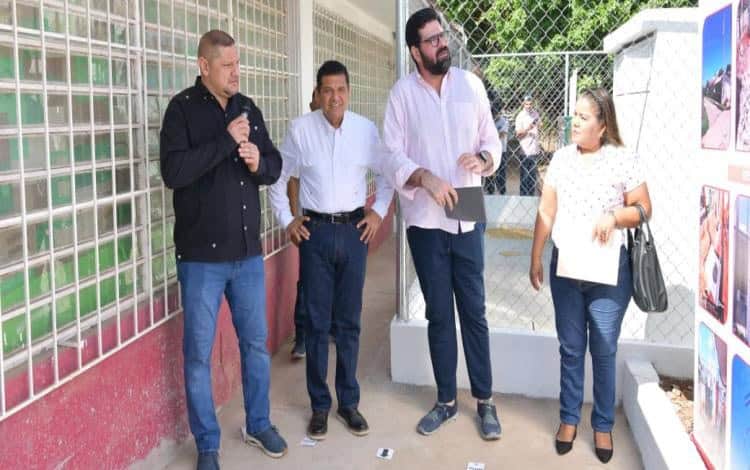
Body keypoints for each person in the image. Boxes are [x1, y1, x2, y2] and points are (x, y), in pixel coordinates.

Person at [160, 30, 287, 469]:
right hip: (200, 260)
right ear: (204, 66)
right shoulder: (181, 110)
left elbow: (274, 165)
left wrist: (258, 163)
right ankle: (208, 445)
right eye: (228, 65)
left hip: (247, 255)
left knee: (255, 345)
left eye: (238, 63)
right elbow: (174, 172)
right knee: (198, 355)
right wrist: (227, 142)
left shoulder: (247, 107)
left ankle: (259, 423)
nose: (236, 72)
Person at [382, 7, 503, 441]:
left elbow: (492, 141)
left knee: (474, 311)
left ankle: (485, 401)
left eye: (442, 37)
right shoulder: (401, 96)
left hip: (466, 206)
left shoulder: (470, 85)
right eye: (432, 40)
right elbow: (391, 155)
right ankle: (447, 401)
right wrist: (424, 177)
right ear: (415, 52)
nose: (442, 44)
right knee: (438, 313)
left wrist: (484, 159)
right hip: (425, 218)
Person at [269, 60, 397, 441]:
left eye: (341, 90)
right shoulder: (300, 130)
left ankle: (348, 402)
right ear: (318, 94)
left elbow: (387, 175)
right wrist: (287, 220)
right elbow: (277, 179)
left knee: (349, 322)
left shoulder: (364, 130)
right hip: (316, 234)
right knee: (316, 323)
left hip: (355, 233)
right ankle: (319, 406)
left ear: (349, 92)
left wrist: (378, 212)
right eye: (327, 90)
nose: (334, 97)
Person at [529, 88, 652, 463]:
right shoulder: (562, 159)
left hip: (608, 274)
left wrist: (614, 216)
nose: (575, 122)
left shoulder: (622, 159)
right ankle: (569, 419)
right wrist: (536, 256)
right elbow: (547, 211)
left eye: (583, 117)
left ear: (602, 125)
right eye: (575, 115)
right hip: (566, 270)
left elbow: (644, 208)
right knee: (570, 348)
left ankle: (602, 425)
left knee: (603, 349)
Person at [288, 90, 321, 360]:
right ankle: (301, 336)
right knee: (307, 282)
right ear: (312, 103)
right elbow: (292, 180)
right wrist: (293, 219)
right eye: (321, 98)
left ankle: (329, 329)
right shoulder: (302, 134)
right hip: (308, 221)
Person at [515, 94, 541, 196]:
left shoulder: (535, 114)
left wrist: (539, 125)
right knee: (525, 177)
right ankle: (523, 197)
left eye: (530, 104)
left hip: (534, 150)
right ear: (523, 104)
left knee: (532, 177)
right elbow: (518, 134)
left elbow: (539, 124)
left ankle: (531, 197)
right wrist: (528, 129)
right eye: (527, 104)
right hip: (525, 151)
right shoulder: (520, 116)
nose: (529, 106)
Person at [484, 104, 509, 194]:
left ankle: (502, 191)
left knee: (501, 172)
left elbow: (502, 134)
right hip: (490, 151)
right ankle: (490, 190)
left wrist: (491, 136)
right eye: (493, 113)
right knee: (489, 171)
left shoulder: (504, 121)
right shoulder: (489, 121)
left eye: (496, 113)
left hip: (501, 150)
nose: (494, 115)